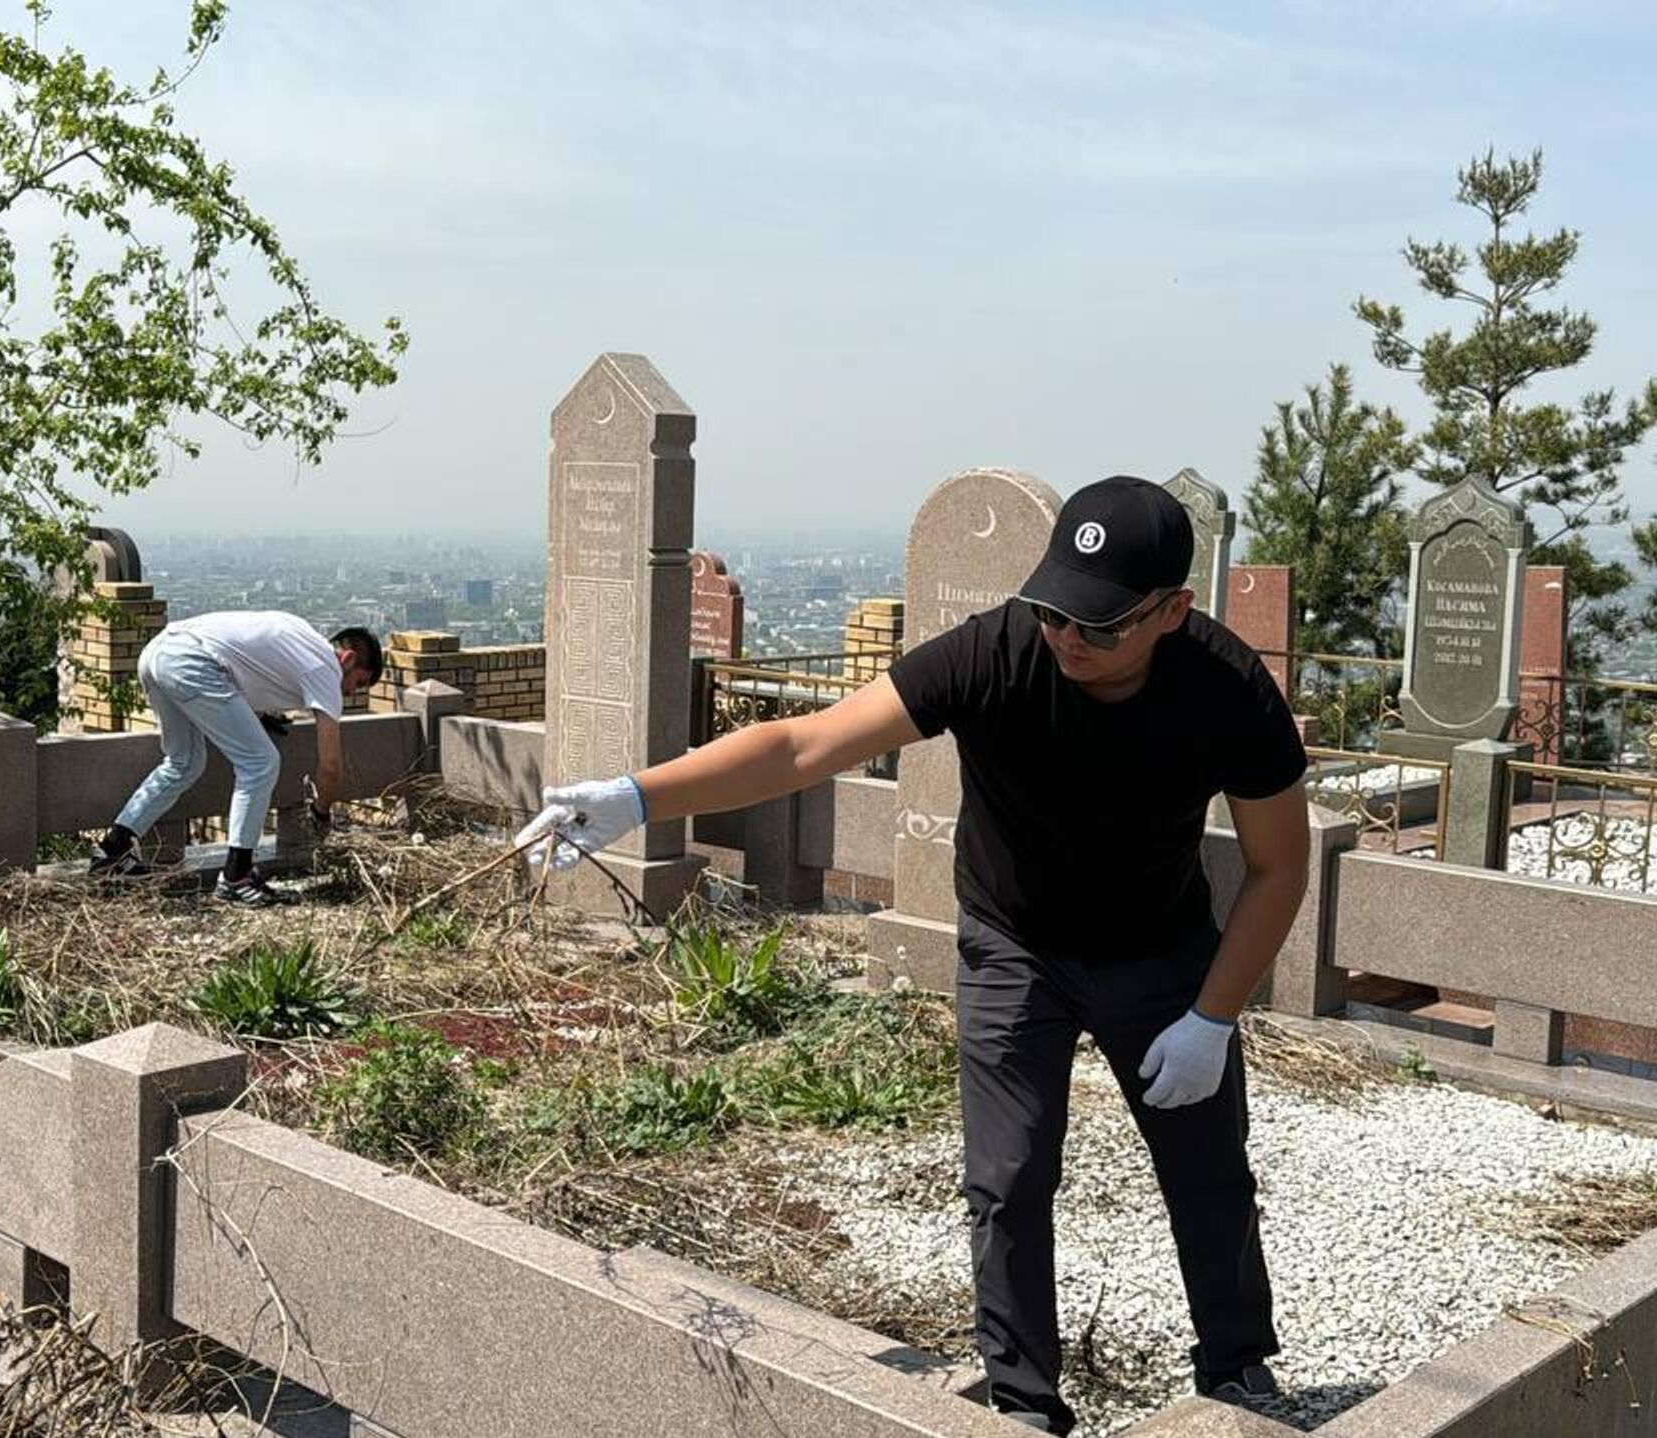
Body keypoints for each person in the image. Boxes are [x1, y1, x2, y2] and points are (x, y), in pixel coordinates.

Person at [517, 477, 1309, 1433]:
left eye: (1100, 626)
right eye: (1056, 609)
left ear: (1171, 613)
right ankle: (1022, 1403)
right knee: (1008, 1175)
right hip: (1016, 946)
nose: (1067, 637)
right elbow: (805, 745)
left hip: (1160, 953)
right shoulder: (997, 651)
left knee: (1207, 1165)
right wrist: (638, 798)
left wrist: (1213, 1017)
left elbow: (1278, 867)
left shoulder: (1225, 691)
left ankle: (1238, 1369)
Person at [88, 612, 382, 906]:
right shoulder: (327, 670)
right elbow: (330, 767)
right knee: (260, 762)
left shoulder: (304, 636)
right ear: (348, 659)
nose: (350, 692)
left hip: (158, 652)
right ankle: (236, 878)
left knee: (184, 762)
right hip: (193, 662)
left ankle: (113, 850)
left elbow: (245, 659)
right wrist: (321, 813)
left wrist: (256, 715)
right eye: (358, 682)